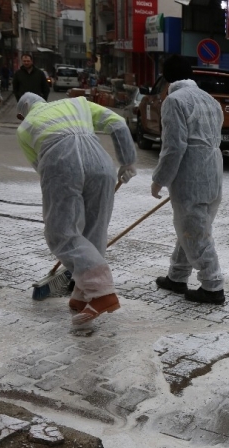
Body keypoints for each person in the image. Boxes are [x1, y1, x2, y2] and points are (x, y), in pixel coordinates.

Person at [16, 92, 137, 325]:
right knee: (95, 229)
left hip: (60, 162)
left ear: (23, 113)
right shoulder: (77, 103)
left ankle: (102, 291)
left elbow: (41, 167)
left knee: (61, 232)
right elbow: (118, 123)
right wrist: (127, 160)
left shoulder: (24, 128)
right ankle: (83, 295)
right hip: (100, 162)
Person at [152, 55, 226, 304]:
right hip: (213, 172)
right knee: (191, 228)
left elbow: (173, 147)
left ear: (167, 78)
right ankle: (177, 276)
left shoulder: (174, 101)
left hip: (191, 175)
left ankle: (213, 286)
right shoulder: (211, 100)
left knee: (195, 231)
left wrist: (160, 179)